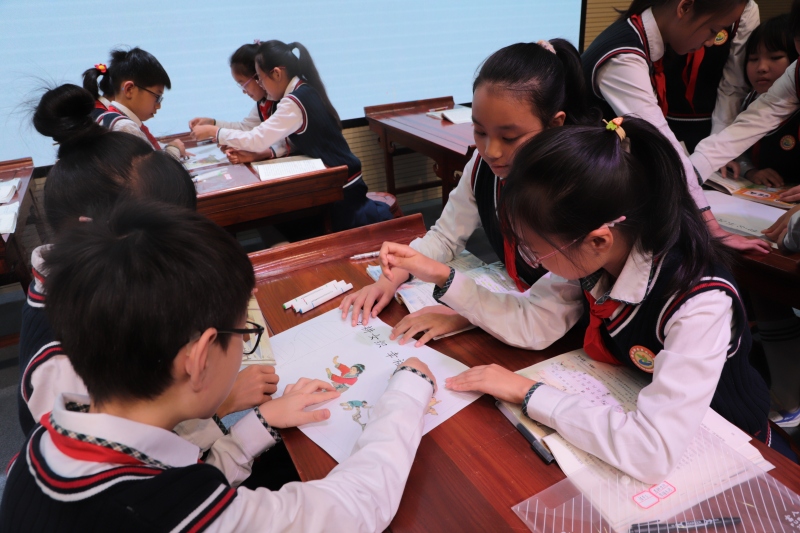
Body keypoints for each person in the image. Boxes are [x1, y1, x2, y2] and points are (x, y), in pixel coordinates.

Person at [375, 117, 791, 483]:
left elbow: (651, 450)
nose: (533, 260)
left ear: (597, 240)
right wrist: (445, 279)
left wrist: (529, 392)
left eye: (536, 249)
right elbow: (533, 322)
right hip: (645, 404)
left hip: (734, 447)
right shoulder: (601, 252)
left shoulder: (699, 302)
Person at [0, 201, 436, 532]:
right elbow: (356, 507)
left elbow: (177, 482)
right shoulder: (171, 510)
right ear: (200, 357)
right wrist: (410, 387)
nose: (244, 343)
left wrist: (259, 424)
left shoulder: (39, 450)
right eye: (243, 332)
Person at [19, 84, 278, 455]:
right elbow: (131, 463)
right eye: (167, 244)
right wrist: (224, 405)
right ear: (93, 230)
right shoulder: (62, 365)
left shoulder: (99, 280)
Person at [340, 40, 599, 344]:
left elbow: (544, 317)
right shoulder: (482, 166)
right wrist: (392, 276)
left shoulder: (576, 190)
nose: (491, 151)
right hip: (518, 308)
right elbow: (446, 236)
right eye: (480, 131)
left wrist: (465, 313)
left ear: (554, 125)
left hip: (568, 334)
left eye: (509, 137)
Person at [582, 0, 770, 254]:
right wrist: (712, 227)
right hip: (578, 195)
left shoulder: (637, 37)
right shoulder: (623, 58)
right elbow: (663, 145)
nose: (709, 42)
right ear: (684, 8)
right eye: (713, 30)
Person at [191, 40, 391, 231]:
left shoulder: (293, 102)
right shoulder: (300, 90)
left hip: (343, 185)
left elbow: (256, 139)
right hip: (341, 178)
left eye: (260, 78)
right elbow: (258, 134)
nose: (261, 85)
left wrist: (214, 132)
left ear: (277, 74)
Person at [690, 0, 800, 204]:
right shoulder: (795, 75)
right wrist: (690, 173)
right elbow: (754, 121)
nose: (762, 67)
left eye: (775, 57)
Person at [660, 1, 759, 152]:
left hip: (715, 119)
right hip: (661, 115)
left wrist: (718, 144)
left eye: (715, 31)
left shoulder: (744, 9)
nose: (710, 42)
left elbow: (733, 86)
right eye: (712, 30)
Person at [188, 41, 289, 164]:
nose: (244, 91)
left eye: (243, 84)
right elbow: (246, 128)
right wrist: (213, 123)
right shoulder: (264, 101)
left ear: (258, 75)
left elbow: (288, 142)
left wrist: (214, 131)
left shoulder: (285, 101)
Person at [734, 14, 800, 187]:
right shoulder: (748, 100)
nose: (761, 68)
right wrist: (750, 171)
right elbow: (736, 148)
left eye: (775, 57)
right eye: (753, 59)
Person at [85, 47, 187, 157]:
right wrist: (174, 149)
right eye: (157, 97)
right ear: (129, 89)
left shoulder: (110, 119)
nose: (158, 106)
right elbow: (154, 167)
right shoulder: (124, 127)